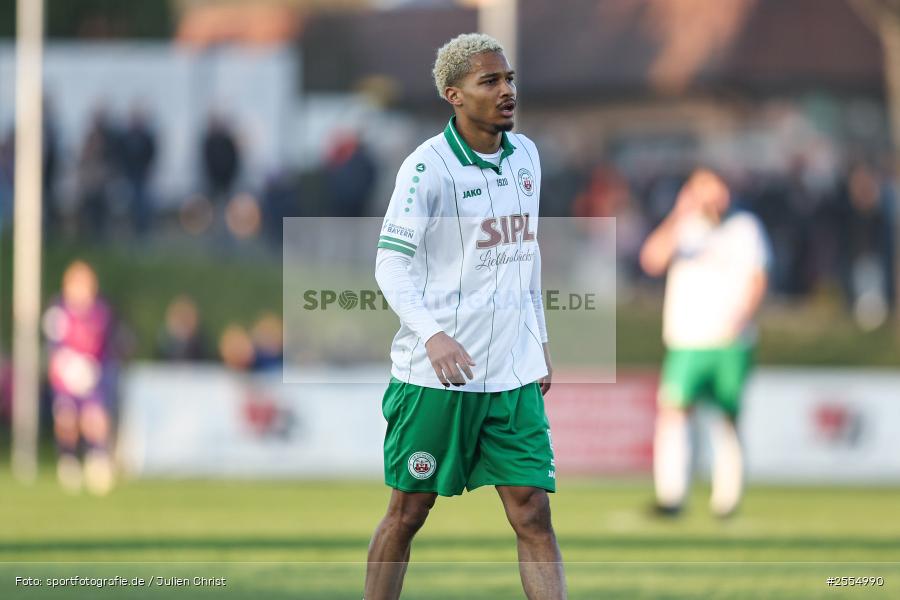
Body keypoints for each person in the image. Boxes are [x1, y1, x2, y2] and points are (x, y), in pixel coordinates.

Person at [365, 33, 566, 600]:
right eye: (491, 81)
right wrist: (432, 336)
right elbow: (389, 264)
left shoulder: (526, 156)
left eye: (510, 80)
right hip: (438, 379)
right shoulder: (426, 169)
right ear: (454, 94)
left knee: (533, 513)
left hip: (511, 373)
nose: (508, 91)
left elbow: (526, 254)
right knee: (407, 512)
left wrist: (539, 338)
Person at [639, 168, 770, 518]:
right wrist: (679, 213)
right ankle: (672, 496)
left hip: (730, 341)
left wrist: (741, 318)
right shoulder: (685, 228)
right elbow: (651, 259)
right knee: (674, 413)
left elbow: (758, 278)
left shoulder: (745, 228)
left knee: (726, 417)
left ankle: (727, 500)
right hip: (687, 339)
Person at [43, 261, 118, 495]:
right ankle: (68, 459)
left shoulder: (101, 312)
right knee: (66, 418)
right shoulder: (58, 312)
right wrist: (66, 367)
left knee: (94, 418)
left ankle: (97, 457)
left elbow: (107, 347)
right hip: (65, 377)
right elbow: (53, 348)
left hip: (92, 375)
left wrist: (95, 371)